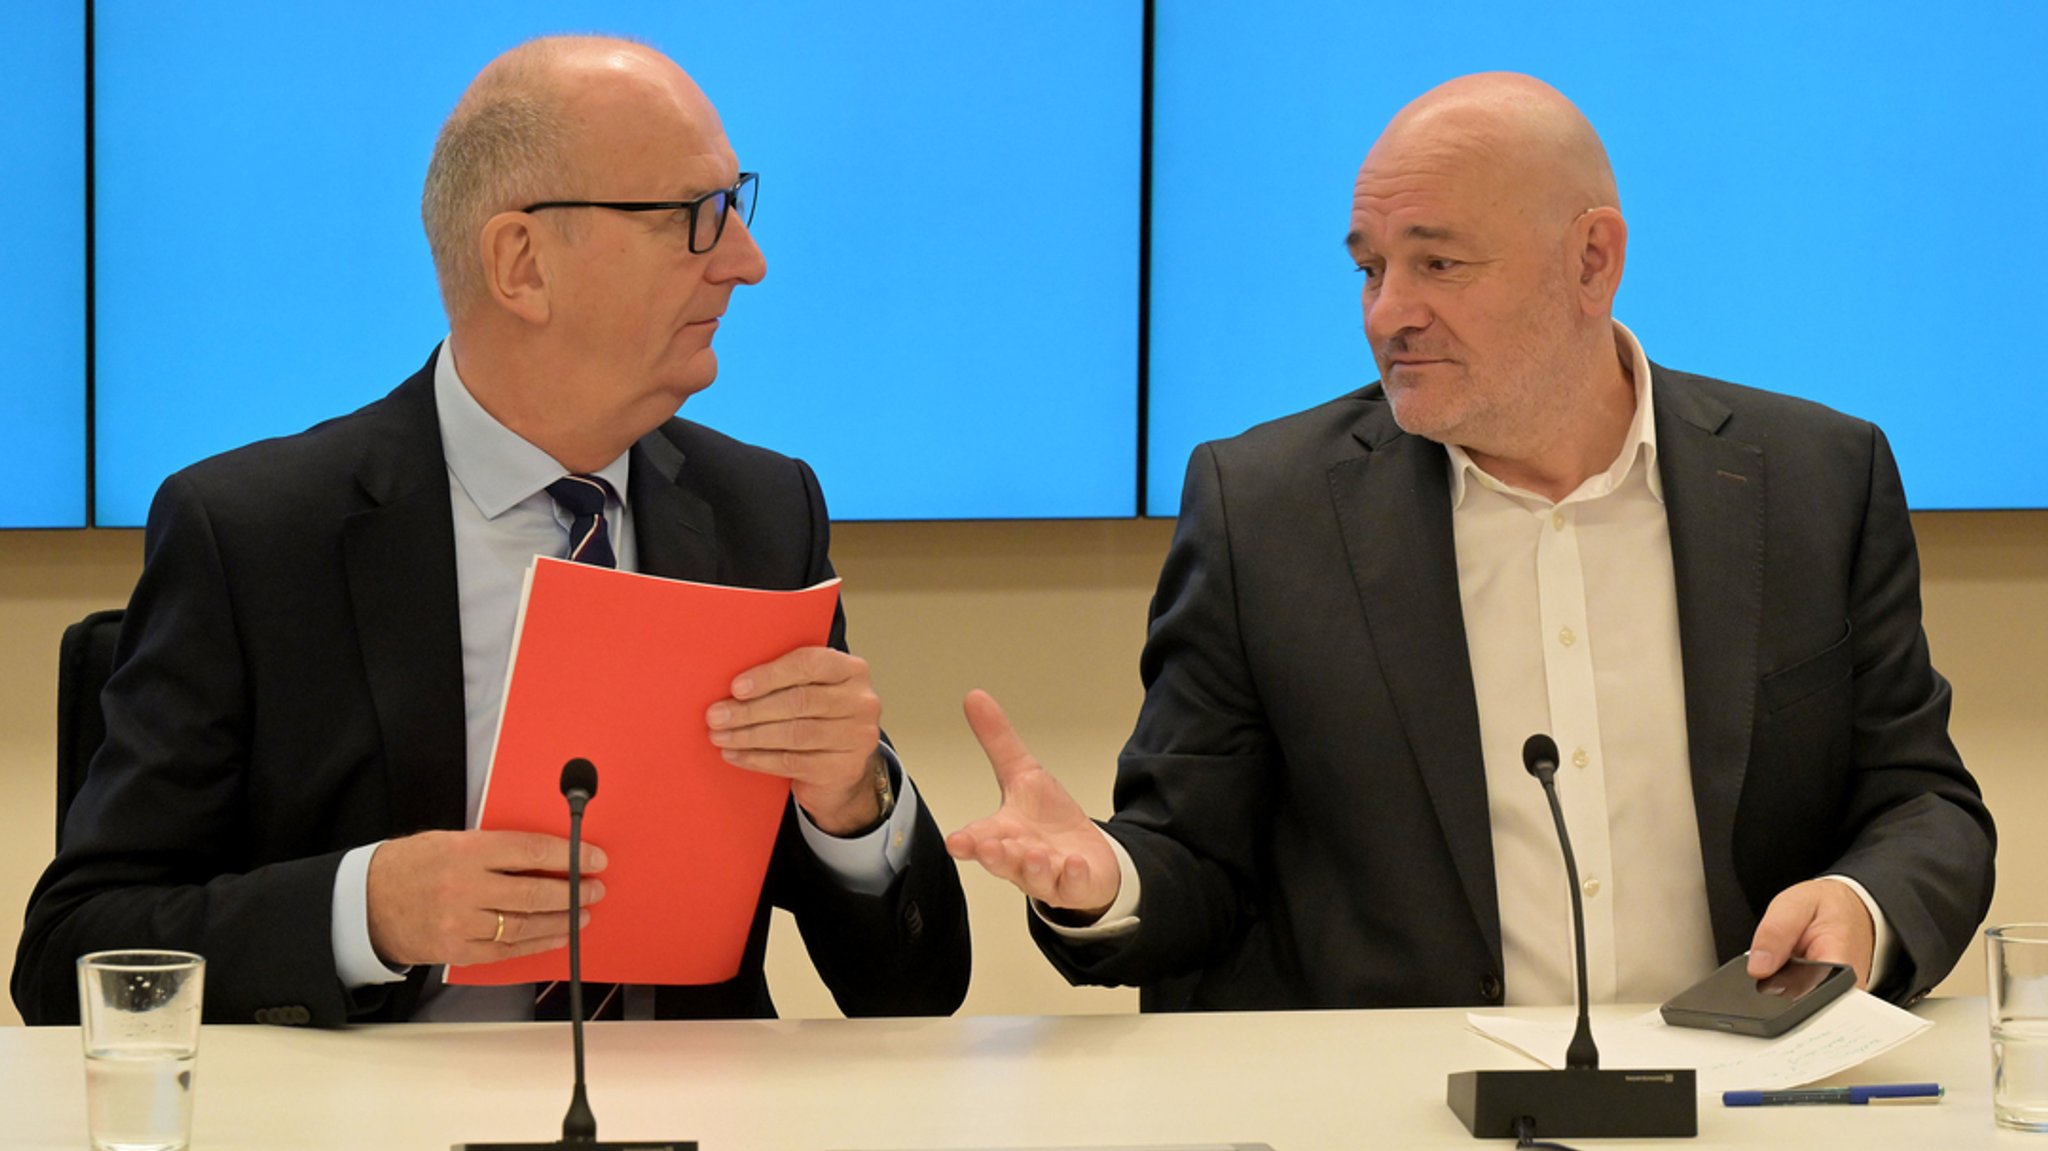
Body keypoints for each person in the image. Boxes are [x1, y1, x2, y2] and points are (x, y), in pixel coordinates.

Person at [947, 72, 1993, 1012]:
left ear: (1592, 258)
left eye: (1437, 262)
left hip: (1732, 1092)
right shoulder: (1262, 506)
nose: (1386, 312)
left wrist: (1861, 904)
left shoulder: (1813, 478)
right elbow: (1193, 858)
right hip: (1384, 1109)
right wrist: (1105, 877)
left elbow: (1920, 801)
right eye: (1369, 269)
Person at [14, 36, 968, 1026]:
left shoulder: (762, 514)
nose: (746, 261)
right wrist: (367, 910)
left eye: (736, 205)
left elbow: (911, 991)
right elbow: (69, 957)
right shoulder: (256, 536)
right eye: (695, 217)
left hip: (686, 1115)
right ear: (521, 263)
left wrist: (852, 802)